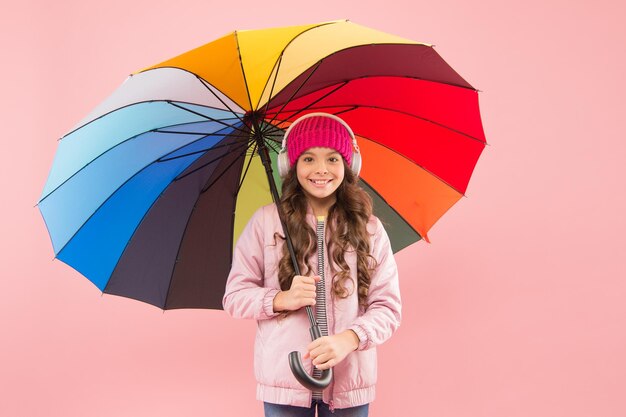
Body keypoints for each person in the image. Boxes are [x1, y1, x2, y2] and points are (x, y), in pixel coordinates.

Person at [223, 112, 402, 417]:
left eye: (332, 159)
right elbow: (234, 297)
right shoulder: (266, 223)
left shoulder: (370, 228)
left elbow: (388, 308)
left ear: (349, 165)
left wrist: (350, 339)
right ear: (290, 165)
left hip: (349, 384)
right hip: (285, 383)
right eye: (308, 159)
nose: (321, 170)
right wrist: (281, 299)